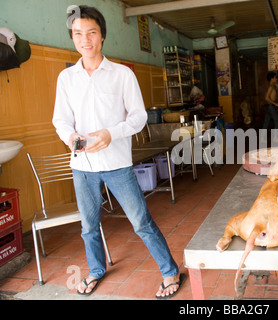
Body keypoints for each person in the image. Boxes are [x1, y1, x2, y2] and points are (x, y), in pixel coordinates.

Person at [52, 5, 184, 299]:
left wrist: (112, 133)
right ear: (73, 38)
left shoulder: (122, 74)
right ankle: (96, 270)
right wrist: (70, 135)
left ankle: (169, 271)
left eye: (91, 33)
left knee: (141, 221)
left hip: (116, 164)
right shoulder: (67, 78)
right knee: (89, 226)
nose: (85, 40)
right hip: (82, 165)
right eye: (78, 34)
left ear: (102, 36)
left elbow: (138, 118)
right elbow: (60, 119)